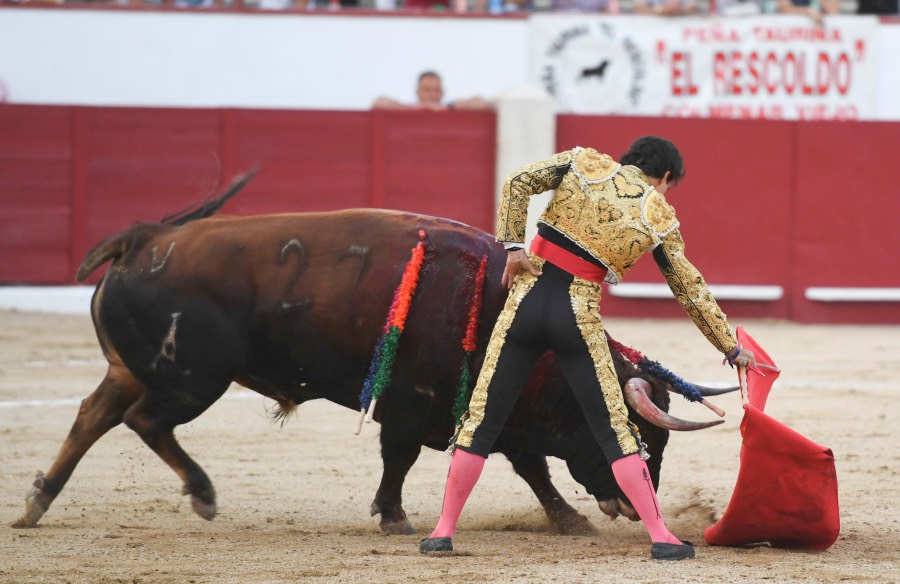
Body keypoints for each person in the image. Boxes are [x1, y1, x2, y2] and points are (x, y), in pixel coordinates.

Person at [418, 136, 757, 561]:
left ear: (629, 159)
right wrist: (729, 346)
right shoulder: (658, 212)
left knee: (481, 419)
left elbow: (518, 181)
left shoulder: (583, 163)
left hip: (525, 301)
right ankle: (661, 537)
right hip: (575, 313)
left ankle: (442, 531)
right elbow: (688, 287)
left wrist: (513, 246)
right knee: (613, 428)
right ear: (665, 177)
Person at [372, 71, 492, 111]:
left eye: (436, 90)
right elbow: (378, 102)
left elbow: (483, 103)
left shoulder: (448, 104)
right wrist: (415, 108)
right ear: (417, 93)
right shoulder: (410, 105)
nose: (432, 95)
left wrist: (449, 107)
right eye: (427, 90)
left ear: (442, 92)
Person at [633, 0, 698, 15]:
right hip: (652, 30)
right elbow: (638, 7)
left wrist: (680, 9)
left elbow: (694, 6)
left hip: (679, 30)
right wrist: (659, 10)